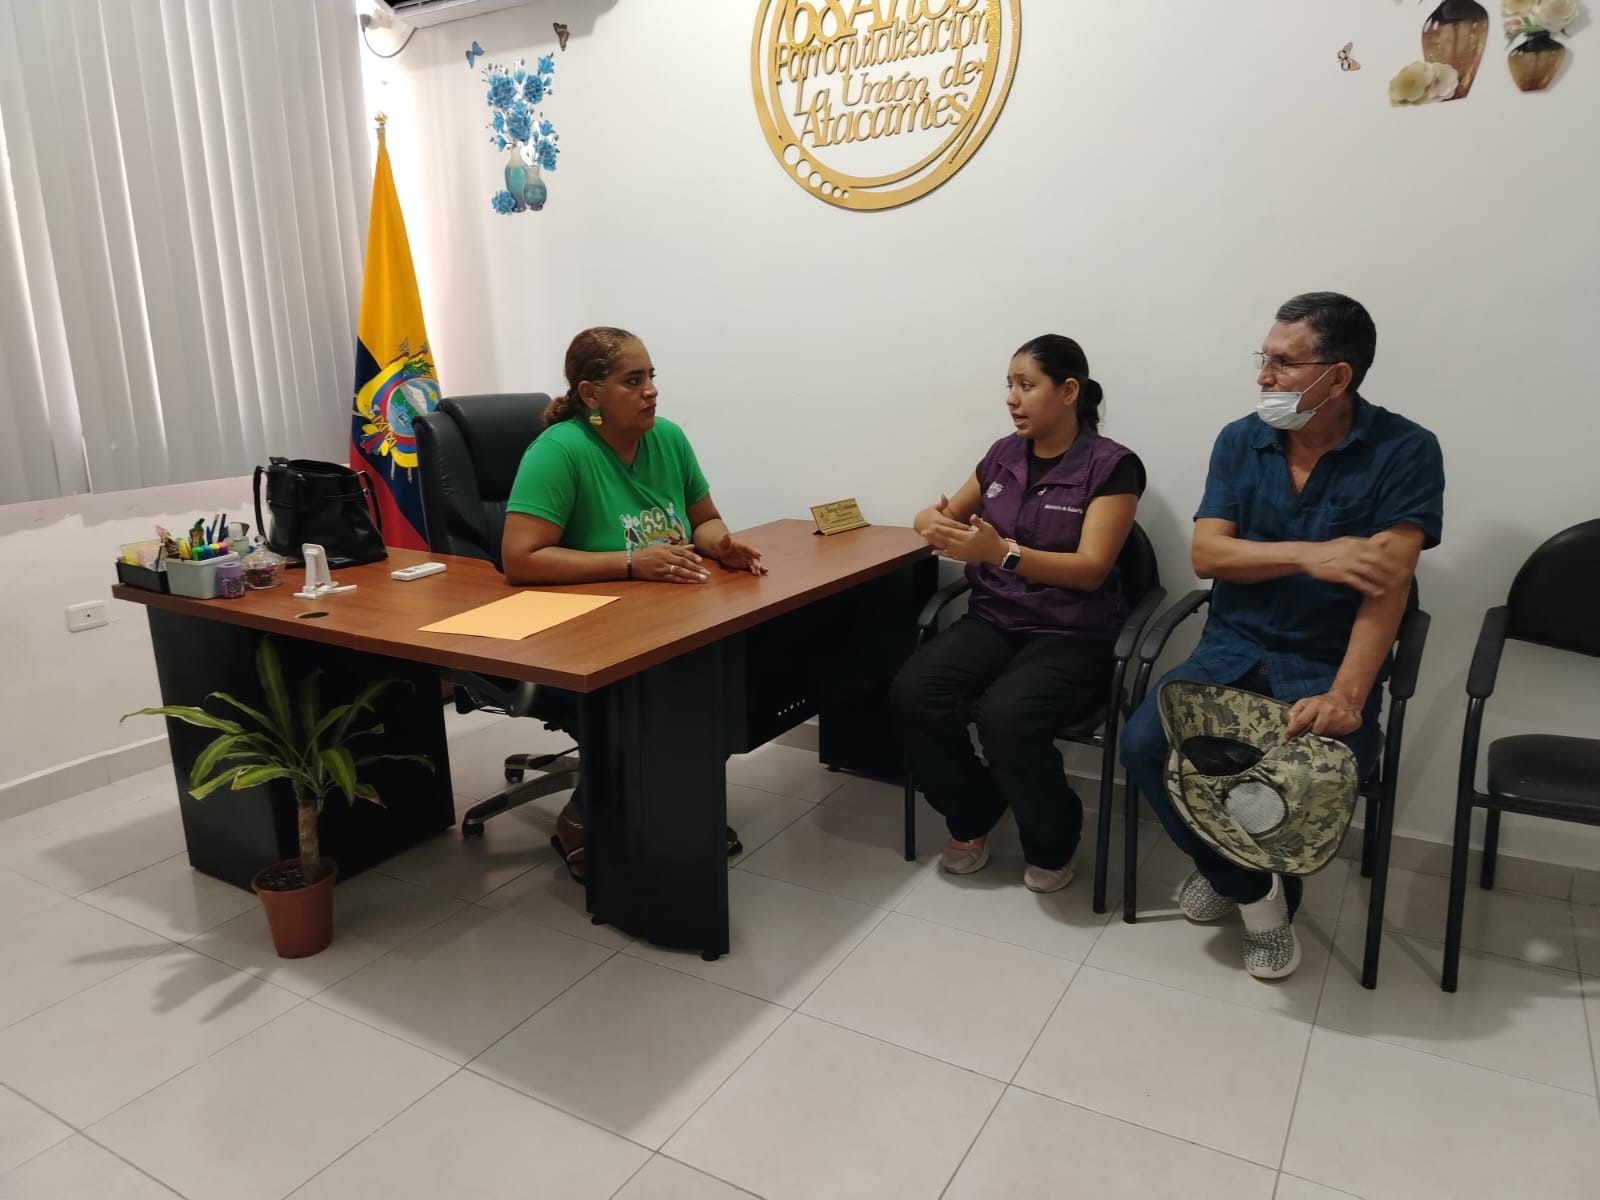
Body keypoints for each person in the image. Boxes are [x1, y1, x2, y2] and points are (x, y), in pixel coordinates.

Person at [1119, 291, 1445, 980]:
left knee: (1310, 776)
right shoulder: (1241, 440)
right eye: (1262, 358)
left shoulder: (1406, 450)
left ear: (1338, 376)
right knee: (1146, 741)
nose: (1263, 376)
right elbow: (1209, 555)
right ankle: (1256, 897)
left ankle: (1231, 871)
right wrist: (1314, 555)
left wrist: (1347, 695)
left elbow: (1388, 584)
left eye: (1284, 362)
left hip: (1326, 664)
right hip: (1230, 650)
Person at [501, 326, 766, 880]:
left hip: (665, 620)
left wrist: (721, 544)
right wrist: (630, 562)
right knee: (658, 703)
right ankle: (580, 818)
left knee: (726, 688)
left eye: (651, 377)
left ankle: (673, 809)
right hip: (584, 635)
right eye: (633, 380)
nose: (651, 391)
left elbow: (703, 518)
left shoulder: (667, 438)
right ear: (591, 394)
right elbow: (521, 559)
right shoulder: (559, 452)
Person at [891, 334, 1146, 893]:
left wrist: (1001, 552)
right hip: (996, 618)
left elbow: (1091, 569)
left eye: (1026, 385)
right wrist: (927, 521)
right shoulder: (1003, 454)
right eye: (1009, 385)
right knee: (913, 693)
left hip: (1073, 630)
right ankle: (976, 810)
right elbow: (943, 516)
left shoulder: (1112, 466)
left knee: (1006, 718)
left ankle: (1053, 839)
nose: (1012, 398)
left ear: (1069, 391)